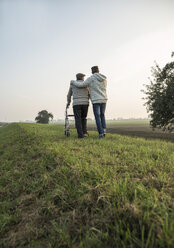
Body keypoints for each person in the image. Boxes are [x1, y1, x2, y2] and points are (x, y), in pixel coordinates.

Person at [71, 66, 107, 139]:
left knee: (97, 117)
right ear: (98, 70)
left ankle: (101, 134)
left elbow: (81, 85)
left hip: (96, 100)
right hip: (104, 99)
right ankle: (104, 130)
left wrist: (72, 82)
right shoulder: (104, 79)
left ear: (92, 71)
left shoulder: (91, 78)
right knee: (102, 115)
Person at [67, 73, 89, 139]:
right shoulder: (86, 84)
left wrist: (68, 102)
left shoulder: (72, 84)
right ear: (82, 78)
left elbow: (69, 95)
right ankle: (85, 132)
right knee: (84, 118)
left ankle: (80, 135)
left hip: (76, 104)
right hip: (85, 103)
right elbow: (89, 93)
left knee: (78, 119)